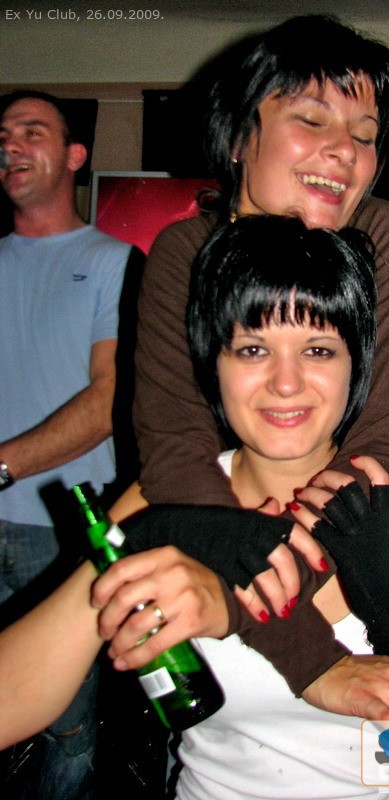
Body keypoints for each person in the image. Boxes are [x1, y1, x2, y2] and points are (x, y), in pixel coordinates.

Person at [0, 217, 389, 800]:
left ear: (358, 365)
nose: (286, 382)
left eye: (317, 350)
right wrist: (151, 529)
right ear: (214, 364)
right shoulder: (164, 503)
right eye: (254, 349)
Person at [130, 12, 389, 699]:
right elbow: (178, 458)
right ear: (240, 136)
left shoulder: (379, 233)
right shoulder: (184, 254)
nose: (344, 151)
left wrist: (245, 597)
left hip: (347, 547)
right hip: (210, 538)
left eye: (364, 136)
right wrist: (304, 654)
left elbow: (388, 440)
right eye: (313, 120)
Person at [0, 90, 132, 799]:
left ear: (76, 155)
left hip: (61, 531)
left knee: (69, 730)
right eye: (3, 134)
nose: (10, 145)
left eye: (32, 132)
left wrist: (2, 465)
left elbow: (107, 403)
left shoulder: (115, 262)